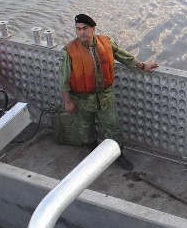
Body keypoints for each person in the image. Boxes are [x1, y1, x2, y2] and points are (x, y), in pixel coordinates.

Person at [59, 14, 158, 170]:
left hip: (106, 96)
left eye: (85, 28)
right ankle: (91, 151)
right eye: (78, 29)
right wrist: (68, 102)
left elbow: (124, 56)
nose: (82, 33)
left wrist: (142, 66)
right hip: (83, 99)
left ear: (93, 28)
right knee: (85, 128)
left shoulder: (106, 42)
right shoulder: (69, 51)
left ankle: (119, 155)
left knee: (113, 126)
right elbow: (63, 80)